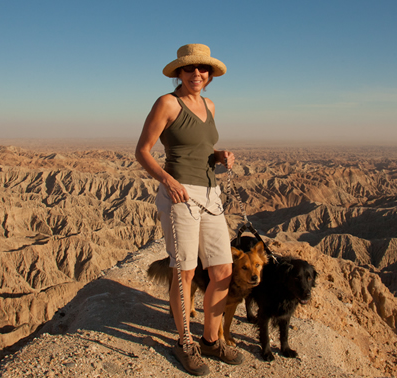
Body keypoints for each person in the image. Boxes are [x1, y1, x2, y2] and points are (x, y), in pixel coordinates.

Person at [135, 44, 243, 376]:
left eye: (204, 70)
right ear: (179, 73)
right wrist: (167, 181)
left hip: (211, 194)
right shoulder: (168, 103)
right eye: (190, 69)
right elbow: (142, 151)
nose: (198, 74)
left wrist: (220, 156)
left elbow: (202, 149)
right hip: (179, 194)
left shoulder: (209, 104)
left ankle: (211, 340)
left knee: (222, 270)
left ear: (210, 75)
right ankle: (184, 343)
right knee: (184, 273)